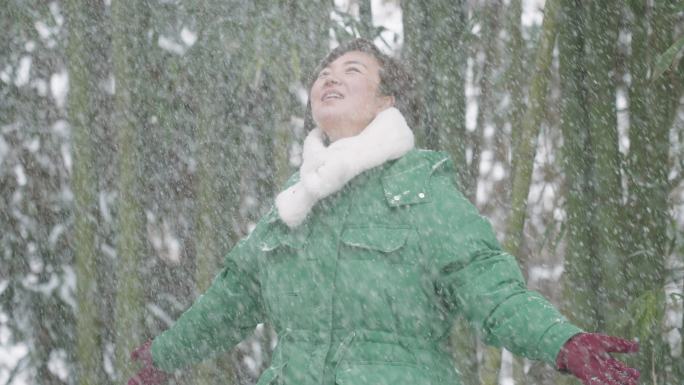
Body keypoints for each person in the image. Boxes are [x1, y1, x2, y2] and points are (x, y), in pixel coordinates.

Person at [128, 39, 640, 385]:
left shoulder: (418, 189)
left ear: (386, 100)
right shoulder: (291, 201)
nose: (330, 78)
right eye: (323, 73)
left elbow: (491, 290)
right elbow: (231, 300)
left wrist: (562, 342)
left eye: (351, 71)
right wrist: (163, 357)